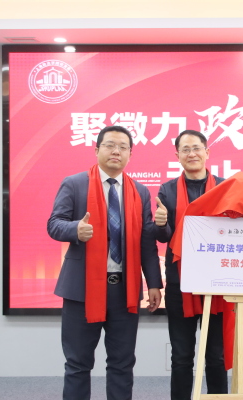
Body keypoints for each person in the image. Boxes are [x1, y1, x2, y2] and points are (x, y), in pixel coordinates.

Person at [47, 125, 169, 400]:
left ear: (130, 154)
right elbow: (54, 224)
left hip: (123, 290)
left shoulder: (139, 191)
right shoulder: (74, 184)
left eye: (123, 147)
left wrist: (153, 283)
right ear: (97, 150)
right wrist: (75, 229)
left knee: (122, 364)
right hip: (81, 290)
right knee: (78, 364)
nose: (116, 151)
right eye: (110, 145)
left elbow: (146, 242)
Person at [157, 130, 228, 399]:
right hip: (181, 283)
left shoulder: (224, 187)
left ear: (207, 152)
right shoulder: (167, 190)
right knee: (182, 355)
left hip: (217, 283)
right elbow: (165, 237)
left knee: (216, 355)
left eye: (196, 148)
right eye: (185, 149)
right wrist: (161, 224)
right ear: (177, 156)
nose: (191, 154)